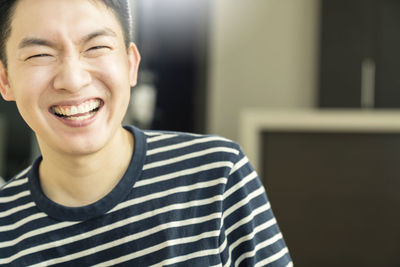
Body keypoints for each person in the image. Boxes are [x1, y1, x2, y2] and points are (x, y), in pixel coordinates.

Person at [0, 0, 292, 266]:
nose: (73, 80)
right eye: (40, 54)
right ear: (5, 80)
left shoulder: (216, 174)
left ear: (130, 64)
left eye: (96, 48)